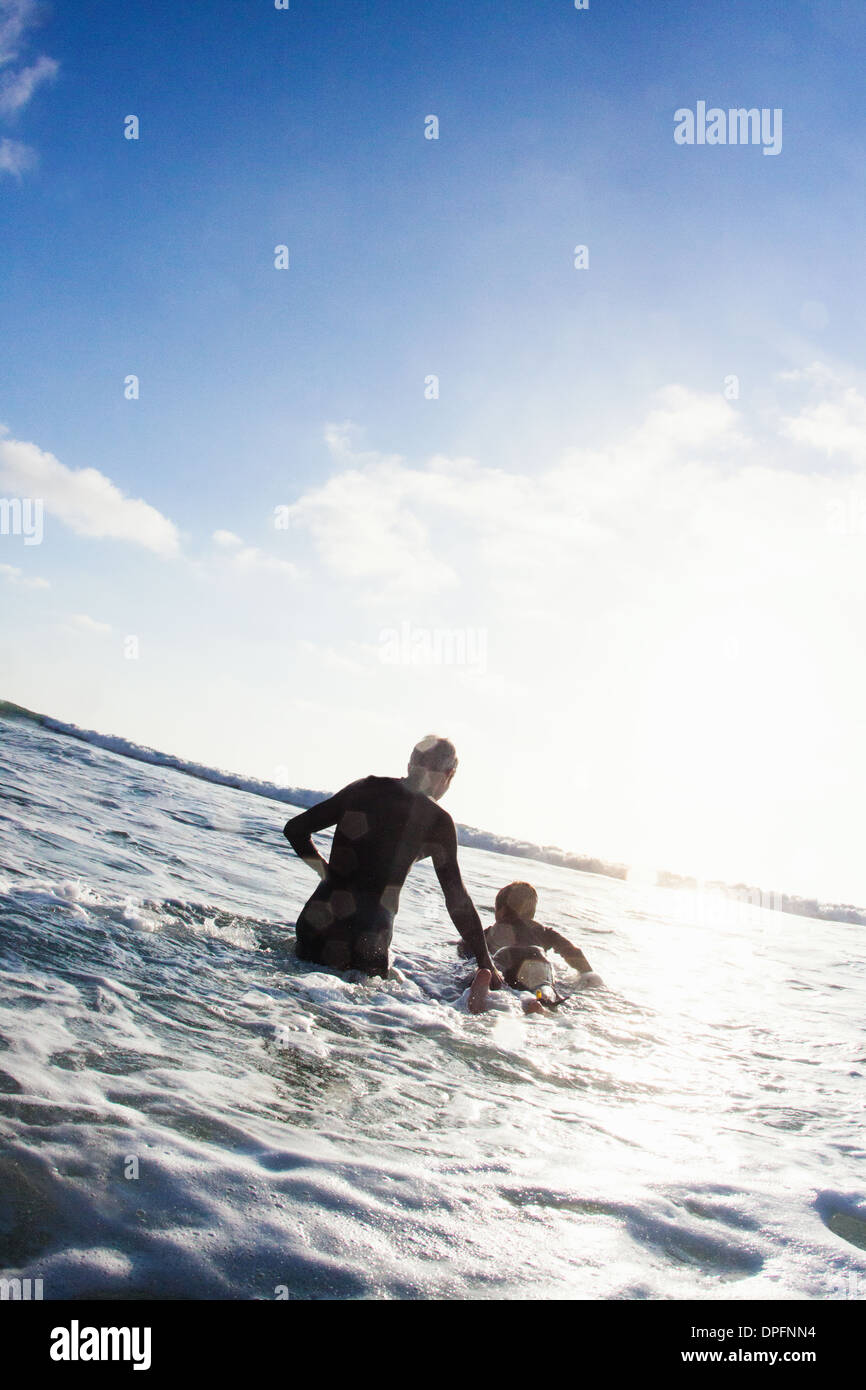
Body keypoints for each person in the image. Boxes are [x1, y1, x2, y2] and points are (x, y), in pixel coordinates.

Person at [283, 735, 504, 985]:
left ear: (409, 765)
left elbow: (295, 830)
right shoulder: (437, 820)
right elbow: (456, 899)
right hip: (368, 935)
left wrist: (327, 874)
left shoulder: (363, 788)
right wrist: (486, 963)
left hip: (318, 919)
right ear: (449, 775)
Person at [459, 881, 601, 1015]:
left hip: (504, 958)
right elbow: (573, 952)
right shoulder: (543, 932)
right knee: (544, 988)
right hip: (538, 960)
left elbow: (467, 945)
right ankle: (540, 1003)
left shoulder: (489, 932)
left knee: (493, 981)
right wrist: (587, 973)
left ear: (501, 911)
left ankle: (481, 992)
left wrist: (463, 951)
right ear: (532, 912)